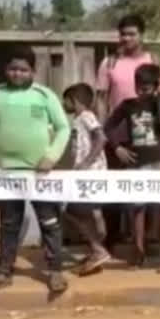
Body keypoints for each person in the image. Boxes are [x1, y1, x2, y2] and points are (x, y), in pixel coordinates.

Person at [96, 14, 160, 251]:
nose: (127, 38)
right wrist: (107, 138)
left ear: (141, 35)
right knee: (116, 190)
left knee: (151, 192)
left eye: (132, 33)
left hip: (149, 138)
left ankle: (149, 241)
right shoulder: (109, 64)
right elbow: (101, 101)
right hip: (118, 137)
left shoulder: (157, 61)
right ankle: (112, 240)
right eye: (123, 34)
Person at [0, 45, 71, 292]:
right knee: (9, 224)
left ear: (33, 71)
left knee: (50, 222)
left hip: (41, 173)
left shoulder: (44, 95)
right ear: (5, 70)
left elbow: (63, 128)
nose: (17, 74)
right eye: (12, 69)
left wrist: (51, 156)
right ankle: (4, 269)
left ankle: (55, 271)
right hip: (7, 175)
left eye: (23, 69)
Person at [104, 64, 160, 271]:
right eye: (139, 86)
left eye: (147, 86)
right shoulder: (127, 105)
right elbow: (108, 127)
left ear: (156, 86)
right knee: (137, 208)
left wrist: (159, 96)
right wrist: (117, 148)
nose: (142, 90)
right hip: (136, 162)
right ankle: (138, 252)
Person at [62, 83, 110, 276]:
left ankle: (98, 249)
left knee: (73, 210)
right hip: (86, 174)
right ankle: (96, 250)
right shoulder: (78, 119)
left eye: (66, 100)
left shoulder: (87, 116)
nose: (63, 104)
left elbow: (101, 138)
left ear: (75, 101)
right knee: (88, 212)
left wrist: (86, 162)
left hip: (90, 174)